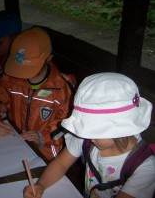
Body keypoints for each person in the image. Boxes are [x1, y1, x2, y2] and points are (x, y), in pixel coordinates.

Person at [23, 72, 155, 198]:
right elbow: (61, 163)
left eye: (94, 130)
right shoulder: (88, 138)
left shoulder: (144, 168)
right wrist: (41, 185)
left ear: (120, 129)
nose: (89, 136)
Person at [0, 27, 75, 161]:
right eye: (19, 66)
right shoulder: (10, 78)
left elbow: (69, 122)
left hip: (48, 154)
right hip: (14, 144)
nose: (22, 73)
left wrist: (43, 136)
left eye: (29, 68)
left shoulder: (63, 88)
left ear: (49, 58)